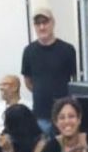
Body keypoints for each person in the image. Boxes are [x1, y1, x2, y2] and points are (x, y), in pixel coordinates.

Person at [21, 8, 77, 136]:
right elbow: (28, 81)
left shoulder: (67, 50)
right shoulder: (29, 51)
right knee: (43, 146)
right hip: (40, 114)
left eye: (45, 22)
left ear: (53, 23)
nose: (42, 27)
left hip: (64, 114)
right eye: (38, 23)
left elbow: (74, 81)